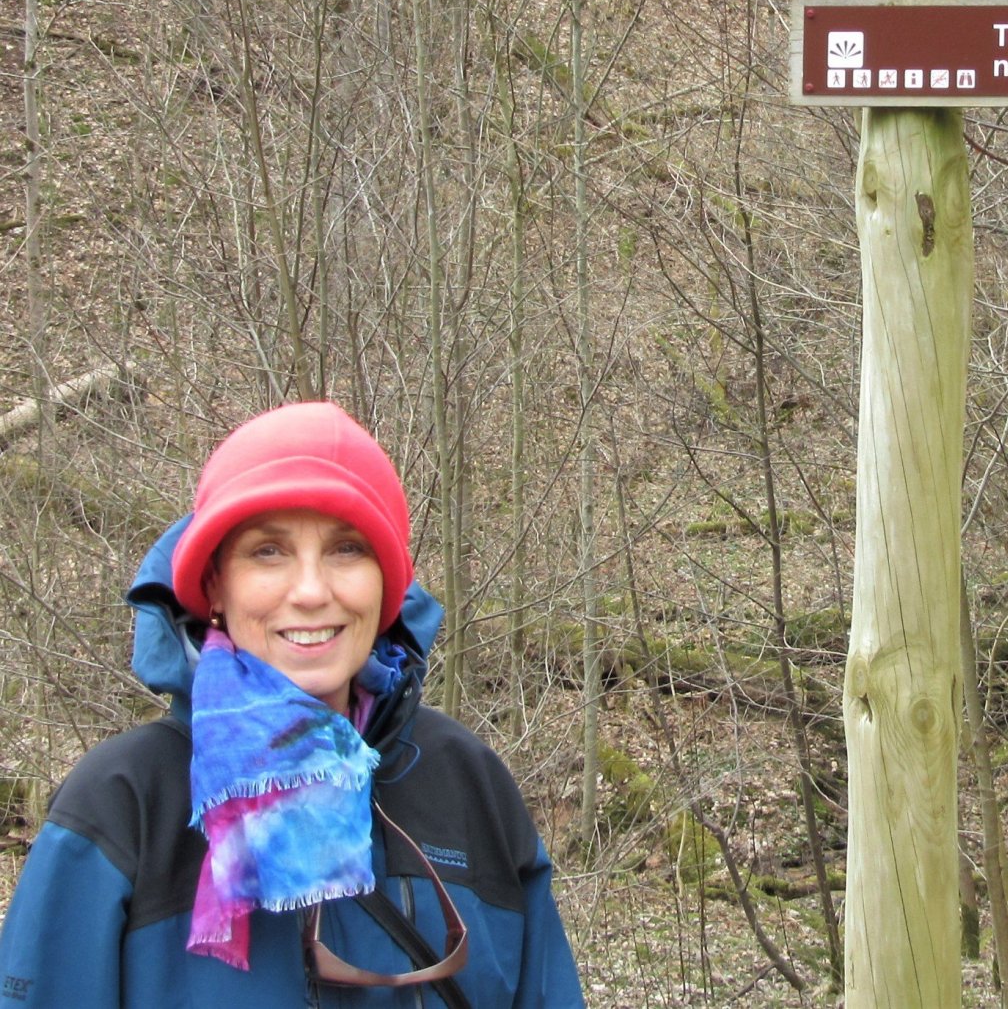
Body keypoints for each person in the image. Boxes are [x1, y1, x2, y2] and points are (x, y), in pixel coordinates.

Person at [0, 400, 586, 1008]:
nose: (310, 592)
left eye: (348, 550)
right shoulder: (124, 803)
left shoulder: (466, 783)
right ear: (215, 586)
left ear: (386, 585)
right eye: (268, 552)